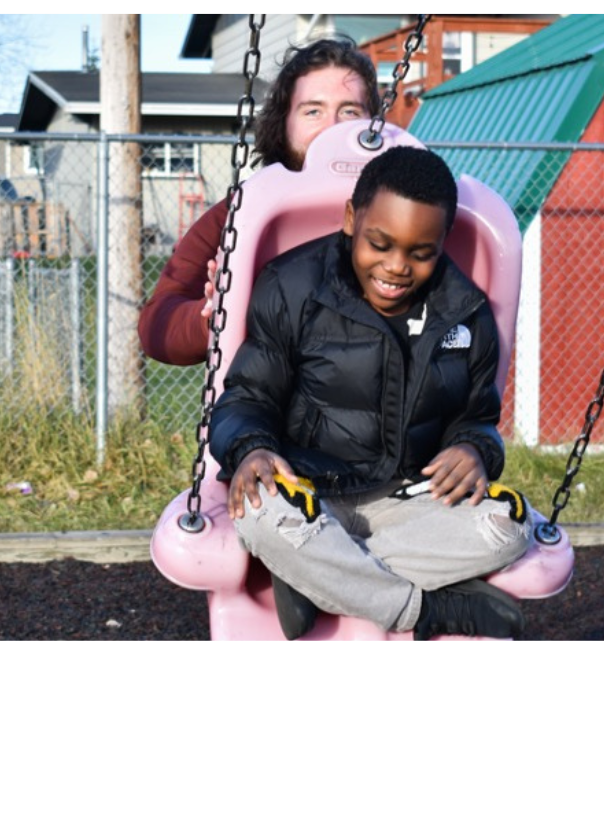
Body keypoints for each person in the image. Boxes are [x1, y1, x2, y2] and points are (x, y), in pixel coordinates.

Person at [212, 146, 527, 640]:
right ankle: (426, 611)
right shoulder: (292, 287)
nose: (397, 266)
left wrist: (474, 448)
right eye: (380, 244)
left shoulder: (465, 311)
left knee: (512, 524)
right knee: (258, 511)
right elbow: (247, 398)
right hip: (309, 493)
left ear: (443, 242)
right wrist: (252, 449)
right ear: (351, 219)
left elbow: (477, 418)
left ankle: (317, 576)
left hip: (407, 501)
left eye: (421, 253)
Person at [142, 36, 381, 366]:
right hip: (265, 407)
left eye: (350, 111)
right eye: (313, 111)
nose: (331, 128)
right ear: (283, 124)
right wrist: (213, 317)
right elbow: (157, 328)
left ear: (373, 125)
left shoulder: (403, 212)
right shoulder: (244, 210)